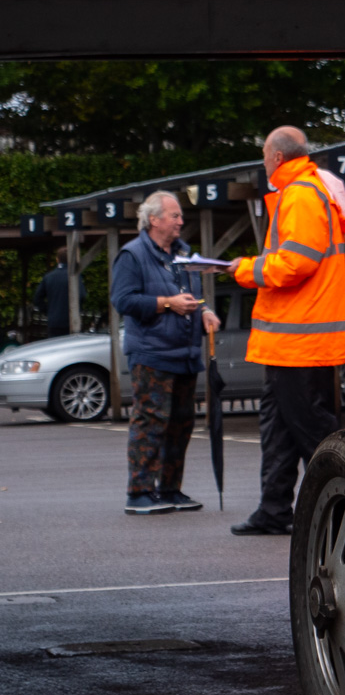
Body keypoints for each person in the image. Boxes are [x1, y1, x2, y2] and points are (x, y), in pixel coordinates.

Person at [226, 125, 345, 536]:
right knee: (281, 432)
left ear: (278, 158)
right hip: (292, 341)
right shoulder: (307, 189)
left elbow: (296, 262)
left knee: (311, 432)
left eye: (265, 157)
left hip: (300, 341)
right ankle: (274, 510)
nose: (264, 164)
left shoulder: (301, 194)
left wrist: (247, 269)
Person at [111, 190, 219, 515]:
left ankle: (170, 489)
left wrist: (203, 313)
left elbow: (190, 297)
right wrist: (166, 304)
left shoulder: (184, 254)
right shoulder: (132, 255)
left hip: (185, 355)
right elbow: (123, 300)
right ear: (154, 219)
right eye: (174, 215)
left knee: (182, 423)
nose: (181, 221)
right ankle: (139, 492)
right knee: (150, 421)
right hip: (152, 354)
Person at [31, 246, 84, 337]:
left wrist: (49, 311)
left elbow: (37, 299)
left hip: (54, 322)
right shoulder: (74, 276)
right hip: (71, 321)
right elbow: (82, 295)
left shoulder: (49, 277)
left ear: (57, 259)